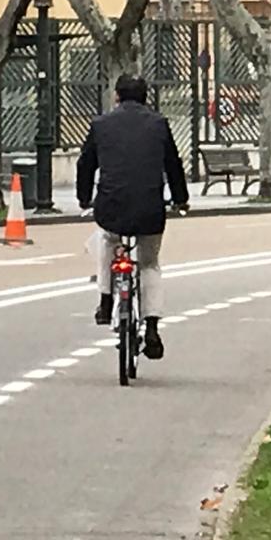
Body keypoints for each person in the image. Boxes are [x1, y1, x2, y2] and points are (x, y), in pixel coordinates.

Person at [76, 75, 189, 360]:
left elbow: (85, 163)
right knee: (149, 263)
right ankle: (151, 326)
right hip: (150, 208)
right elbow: (173, 165)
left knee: (106, 240)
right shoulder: (159, 124)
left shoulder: (100, 125)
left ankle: (104, 299)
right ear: (145, 98)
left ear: (116, 96)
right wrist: (181, 199)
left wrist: (83, 198)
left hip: (111, 207)